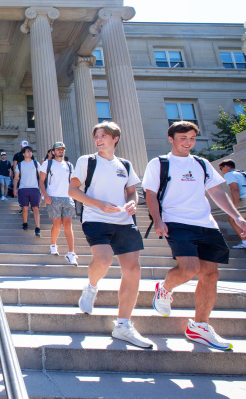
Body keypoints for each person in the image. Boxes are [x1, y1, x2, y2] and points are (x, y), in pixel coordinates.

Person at [144, 121, 246, 350]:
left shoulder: (202, 163)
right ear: (171, 139)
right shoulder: (160, 163)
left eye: (192, 138)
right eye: (183, 138)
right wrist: (158, 220)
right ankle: (164, 288)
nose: (188, 142)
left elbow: (216, 192)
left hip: (206, 223)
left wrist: (237, 216)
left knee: (210, 274)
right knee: (190, 269)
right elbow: (150, 194)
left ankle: (200, 326)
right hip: (176, 222)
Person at [69, 122, 152, 349]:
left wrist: (132, 204)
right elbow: (73, 190)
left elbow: (132, 191)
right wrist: (100, 205)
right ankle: (92, 287)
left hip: (123, 220)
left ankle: (123, 324)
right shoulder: (87, 161)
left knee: (133, 269)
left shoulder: (124, 164)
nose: (99, 139)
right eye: (96, 135)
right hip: (95, 218)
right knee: (104, 260)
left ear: (115, 139)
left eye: (104, 135)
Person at [39, 142, 77, 266]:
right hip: (53, 196)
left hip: (67, 197)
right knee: (57, 223)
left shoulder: (69, 165)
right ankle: (53, 244)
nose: (60, 151)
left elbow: (73, 181)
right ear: (53, 151)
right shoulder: (47, 164)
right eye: (58, 149)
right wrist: (45, 195)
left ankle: (71, 253)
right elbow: (41, 181)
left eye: (62, 149)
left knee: (68, 224)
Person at [218, 159, 246, 250]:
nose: (221, 171)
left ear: (226, 167)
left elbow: (235, 189)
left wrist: (235, 205)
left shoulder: (229, 174)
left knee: (234, 219)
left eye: (221, 168)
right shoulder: (241, 173)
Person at [13, 146, 42, 236]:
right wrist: (15, 188)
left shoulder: (36, 163)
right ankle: (25, 223)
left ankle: (37, 227)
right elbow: (16, 177)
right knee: (24, 208)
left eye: (31, 151)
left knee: (36, 208)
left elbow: (40, 177)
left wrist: (42, 189)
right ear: (23, 154)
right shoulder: (20, 165)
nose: (30, 153)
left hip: (34, 188)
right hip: (23, 188)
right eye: (28, 151)